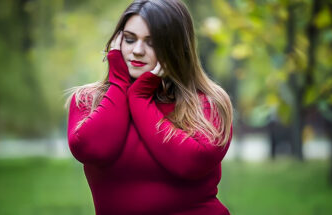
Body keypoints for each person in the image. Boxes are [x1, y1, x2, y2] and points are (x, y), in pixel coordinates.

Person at [66, 0, 233, 214]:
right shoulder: (88, 100)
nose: (137, 51)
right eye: (129, 39)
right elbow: (93, 149)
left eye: (152, 43)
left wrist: (140, 99)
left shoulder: (207, 102)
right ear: (117, 42)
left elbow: (191, 163)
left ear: (176, 49)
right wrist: (119, 82)